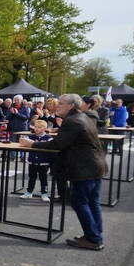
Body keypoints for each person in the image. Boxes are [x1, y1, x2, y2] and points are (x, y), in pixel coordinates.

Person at [20, 93, 107, 249]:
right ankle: (95, 235)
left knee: (80, 202)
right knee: (92, 202)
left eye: (61, 103)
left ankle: (93, 238)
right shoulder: (82, 117)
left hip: (85, 168)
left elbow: (57, 144)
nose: (57, 105)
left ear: (71, 106)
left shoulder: (73, 121)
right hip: (95, 165)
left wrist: (32, 144)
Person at [20, 119, 55, 200]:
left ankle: (44, 193)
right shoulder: (31, 136)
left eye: (39, 127)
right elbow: (22, 142)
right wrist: (26, 140)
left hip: (44, 162)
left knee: (43, 178)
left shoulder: (48, 138)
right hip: (32, 161)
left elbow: (52, 146)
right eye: (35, 127)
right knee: (31, 177)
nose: (36, 129)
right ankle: (29, 192)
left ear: (44, 128)